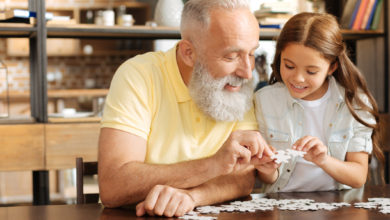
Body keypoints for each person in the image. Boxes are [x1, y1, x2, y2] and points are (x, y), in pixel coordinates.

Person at [98, 0, 273, 217]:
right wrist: (212, 165)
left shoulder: (237, 86)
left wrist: (192, 197)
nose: (247, 72)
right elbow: (113, 186)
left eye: (251, 53)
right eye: (231, 56)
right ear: (189, 53)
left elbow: (244, 177)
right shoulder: (139, 75)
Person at [254, 12, 383, 193]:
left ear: (332, 67)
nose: (298, 78)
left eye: (311, 71)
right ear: (279, 57)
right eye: (289, 66)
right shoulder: (264, 100)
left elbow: (358, 177)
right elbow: (268, 178)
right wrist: (267, 170)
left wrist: (323, 159)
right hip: (281, 204)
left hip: (338, 206)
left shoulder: (355, 103)